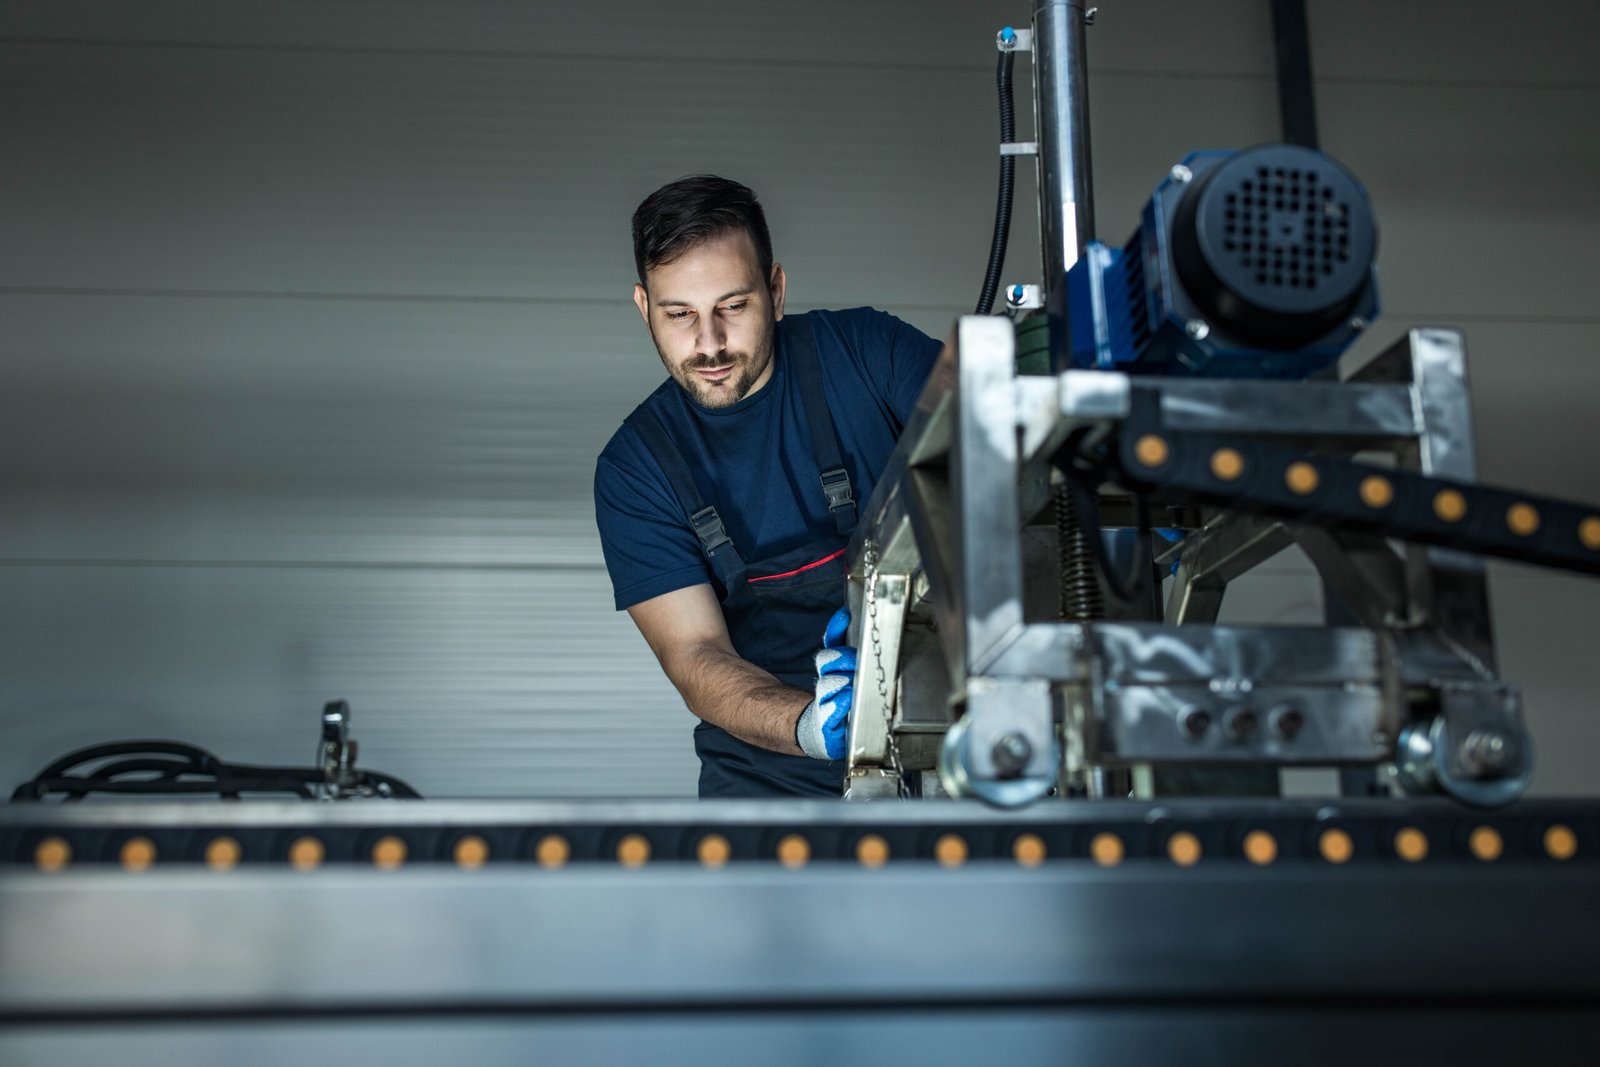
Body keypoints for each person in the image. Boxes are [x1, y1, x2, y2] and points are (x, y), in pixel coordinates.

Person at [594, 175, 942, 798]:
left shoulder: (868, 352)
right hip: (769, 780)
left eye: (733, 306)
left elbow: (1002, 444)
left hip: (944, 740)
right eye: (680, 315)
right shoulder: (635, 467)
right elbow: (696, 654)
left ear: (776, 291)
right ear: (645, 308)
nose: (710, 343)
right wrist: (814, 725)